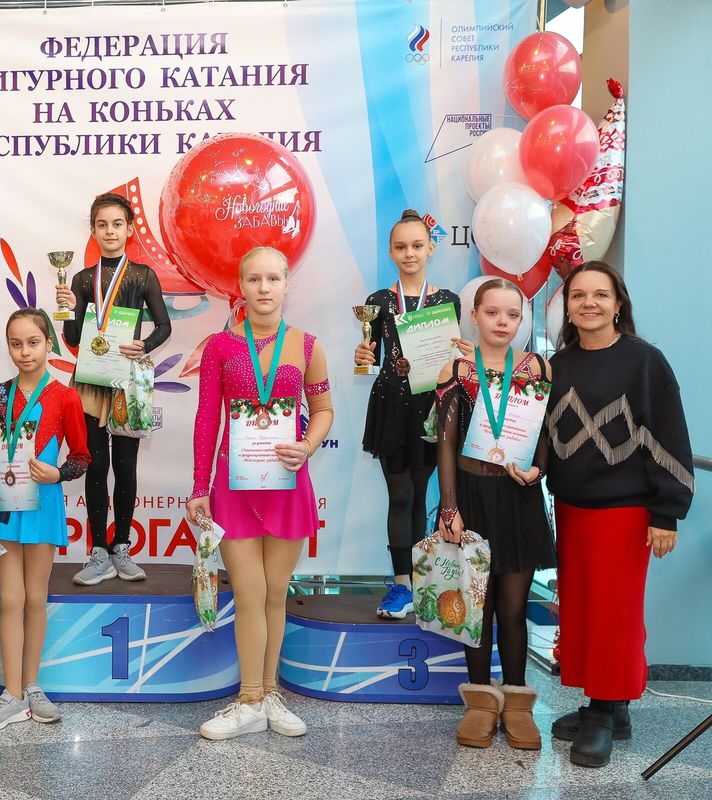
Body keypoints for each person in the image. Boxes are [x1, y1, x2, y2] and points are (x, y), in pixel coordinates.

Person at [544, 261, 693, 768]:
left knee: (615, 614)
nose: (589, 303)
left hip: (624, 512)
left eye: (600, 295)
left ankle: (603, 713)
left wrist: (666, 513)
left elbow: (669, 434)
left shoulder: (645, 362)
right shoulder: (559, 364)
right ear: (567, 307)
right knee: (584, 609)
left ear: (618, 304)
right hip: (572, 509)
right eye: (578, 295)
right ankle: (610, 706)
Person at [188, 246, 333, 740]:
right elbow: (207, 418)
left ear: (287, 284)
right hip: (233, 487)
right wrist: (199, 486)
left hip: (287, 483)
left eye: (273, 278)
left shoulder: (307, 345)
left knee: (275, 593)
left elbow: (324, 410)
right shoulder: (220, 346)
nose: (264, 287)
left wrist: (307, 446)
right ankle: (249, 699)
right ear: (241, 286)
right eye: (254, 279)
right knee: (249, 592)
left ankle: (269, 695)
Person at [433, 278, 555, 750]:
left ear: (522, 320)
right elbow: (445, 444)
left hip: (518, 497)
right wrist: (449, 506)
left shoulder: (536, 367)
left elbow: (543, 429)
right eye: (492, 312)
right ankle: (481, 704)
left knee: (514, 607)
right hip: (471, 498)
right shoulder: (456, 370)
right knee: (476, 607)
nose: (502, 322)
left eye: (512, 314)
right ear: (475, 316)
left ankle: (518, 704)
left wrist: (539, 467)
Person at [0, 308, 90, 731]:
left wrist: (59, 473)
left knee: (35, 598)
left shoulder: (65, 397)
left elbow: (82, 456)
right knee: (12, 599)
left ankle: (33, 685)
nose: (25, 351)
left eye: (33, 343)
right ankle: (12, 694)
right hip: (2, 507)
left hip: (43, 504)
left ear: (48, 344)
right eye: (16, 344)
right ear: (8, 347)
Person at [57, 192, 171, 585]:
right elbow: (74, 338)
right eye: (102, 224)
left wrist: (145, 345)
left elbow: (164, 326)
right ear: (93, 230)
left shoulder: (143, 275)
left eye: (117, 224)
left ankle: (122, 546)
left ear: (130, 229)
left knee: (125, 466)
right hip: (91, 380)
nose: (110, 231)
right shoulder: (81, 279)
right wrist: (68, 307)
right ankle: (98, 553)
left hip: (127, 381)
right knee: (95, 465)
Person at [356, 209, 462, 618]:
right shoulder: (379, 302)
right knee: (399, 494)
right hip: (391, 406)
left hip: (430, 408)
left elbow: (449, 360)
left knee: (419, 494)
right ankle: (401, 586)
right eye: (401, 247)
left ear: (431, 248)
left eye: (417, 245)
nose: (409, 253)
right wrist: (363, 358)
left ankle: (418, 584)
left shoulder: (447, 301)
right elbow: (372, 358)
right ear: (390, 252)